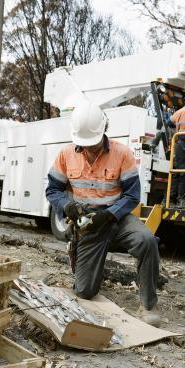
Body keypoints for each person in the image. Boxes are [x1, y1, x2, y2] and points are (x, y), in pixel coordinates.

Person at [45, 100, 161, 327]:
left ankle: (148, 305)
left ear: (104, 130)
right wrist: (66, 205)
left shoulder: (122, 153)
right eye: (84, 144)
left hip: (117, 218)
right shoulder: (66, 154)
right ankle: (80, 253)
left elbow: (132, 196)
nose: (89, 148)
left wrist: (109, 215)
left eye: (93, 143)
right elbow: (53, 189)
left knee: (147, 241)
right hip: (87, 222)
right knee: (85, 291)